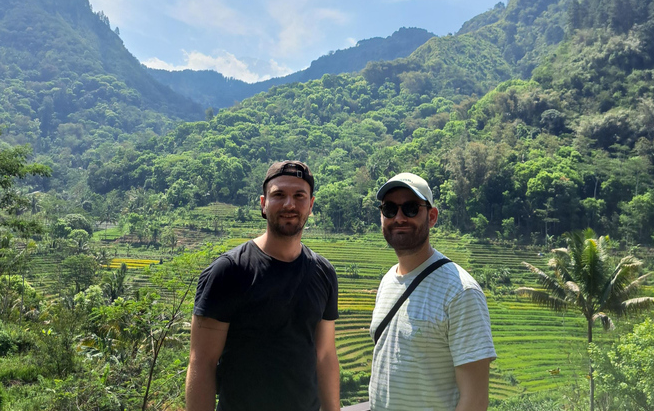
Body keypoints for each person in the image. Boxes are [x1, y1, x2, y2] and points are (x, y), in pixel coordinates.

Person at [186, 161, 340, 411]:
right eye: (279, 195)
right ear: (263, 203)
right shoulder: (229, 271)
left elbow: (325, 356)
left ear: (310, 205)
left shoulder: (324, 273)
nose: (289, 204)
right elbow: (202, 362)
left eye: (299, 196)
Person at [369, 172, 496, 411]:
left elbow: (475, 401)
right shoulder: (387, 281)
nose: (399, 217)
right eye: (389, 209)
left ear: (432, 216)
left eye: (410, 208)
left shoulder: (460, 291)